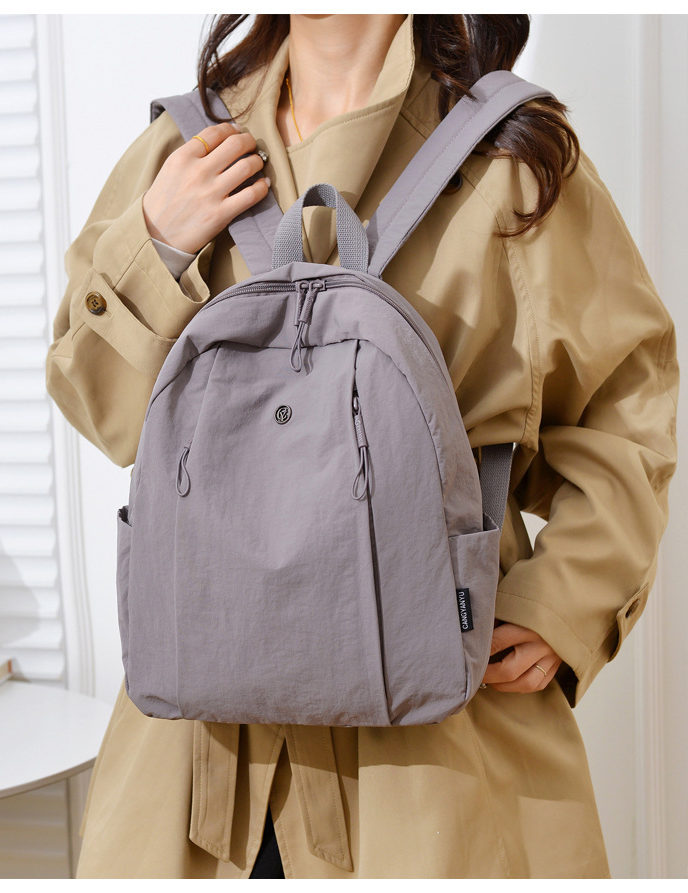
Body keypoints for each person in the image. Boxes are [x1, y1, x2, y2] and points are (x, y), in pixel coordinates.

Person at [46, 14, 678, 879]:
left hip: (436, 753)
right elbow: (105, 411)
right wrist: (155, 244)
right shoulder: (185, 149)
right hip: (198, 761)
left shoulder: (508, 160)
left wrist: (566, 597)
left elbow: (625, 402)